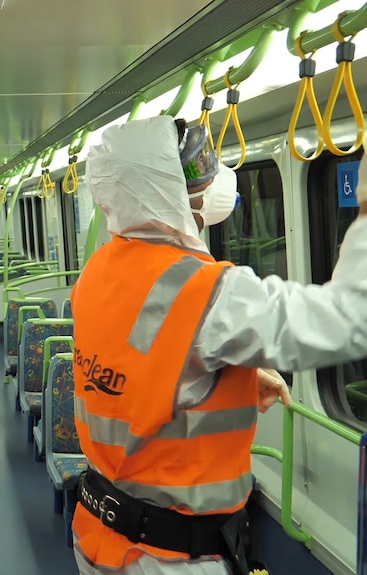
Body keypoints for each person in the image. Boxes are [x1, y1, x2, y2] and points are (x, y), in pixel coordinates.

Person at [69, 114, 367, 575]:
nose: (210, 178)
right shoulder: (206, 292)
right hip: (169, 558)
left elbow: (138, 373)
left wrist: (227, 378)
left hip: (100, 534)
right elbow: (349, 320)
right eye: (191, 172)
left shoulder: (98, 271)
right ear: (160, 187)